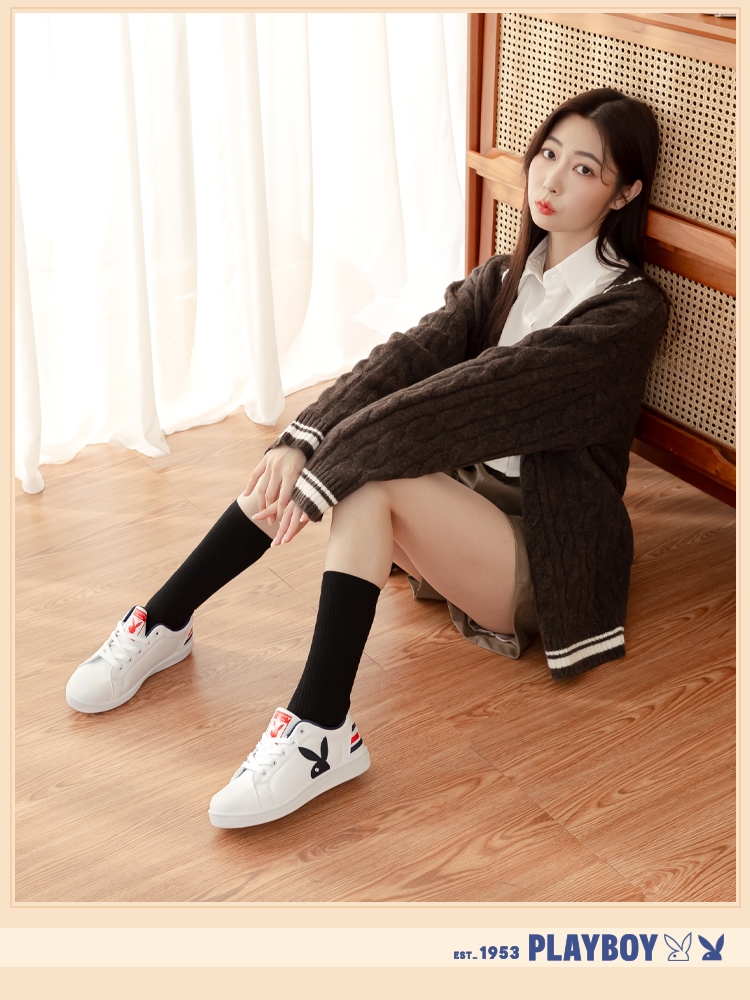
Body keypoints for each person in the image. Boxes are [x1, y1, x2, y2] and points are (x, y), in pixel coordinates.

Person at [65, 88, 669, 829]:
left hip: (546, 546)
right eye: (547, 154)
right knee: (331, 460)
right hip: (468, 511)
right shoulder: (506, 277)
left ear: (623, 193)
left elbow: (485, 395)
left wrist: (337, 456)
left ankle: (322, 728)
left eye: (583, 169)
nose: (550, 180)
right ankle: (164, 621)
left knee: (366, 480)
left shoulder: (628, 311)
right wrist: (303, 437)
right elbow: (407, 357)